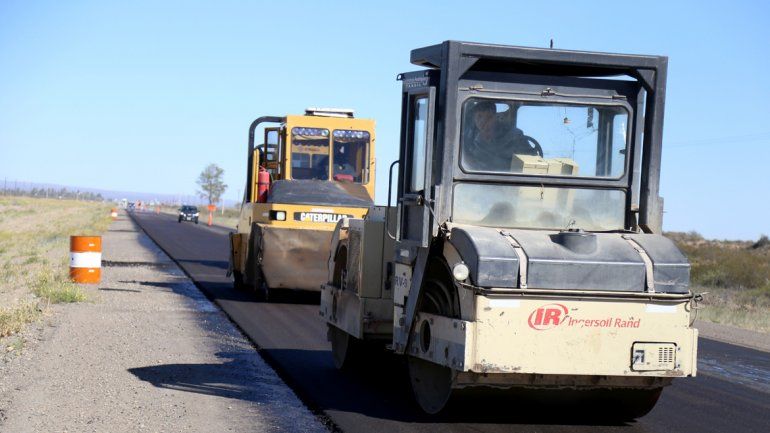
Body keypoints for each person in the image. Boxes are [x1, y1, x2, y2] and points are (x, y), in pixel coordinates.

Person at [463, 100, 537, 172]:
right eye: (479, 117)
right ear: (475, 120)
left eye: (488, 117)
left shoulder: (514, 136)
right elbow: (468, 168)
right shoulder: (471, 142)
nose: (483, 122)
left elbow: (533, 162)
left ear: (495, 117)